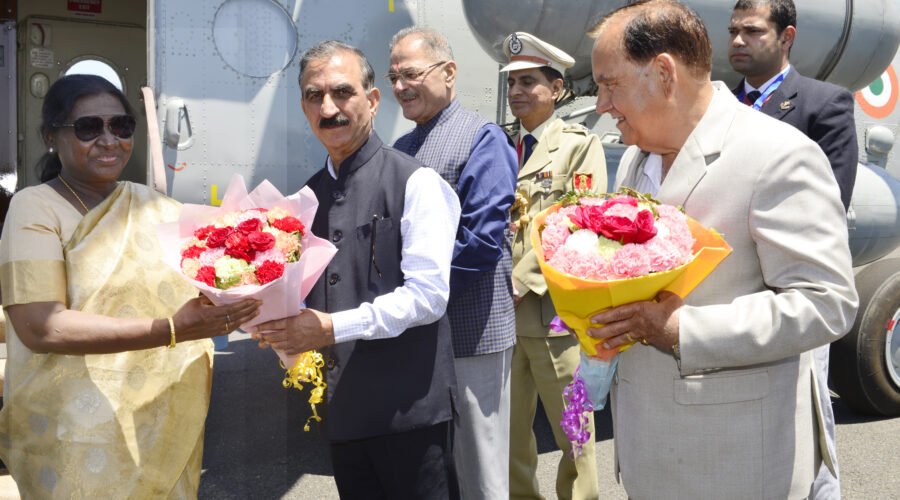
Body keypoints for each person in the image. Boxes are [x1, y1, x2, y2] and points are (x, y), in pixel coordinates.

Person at [585, 1, 858, 498]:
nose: (601, 103)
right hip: (650, 452)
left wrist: (680, 330)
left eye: (610, 84)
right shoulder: (632, 161)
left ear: (664, 73)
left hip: (736, 463)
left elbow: (826, 302)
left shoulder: (777, 156)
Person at [0, 74, 260, 498]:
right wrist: (171, 330)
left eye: (121, 127)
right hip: (70, 430)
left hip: (154, 421)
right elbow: (41, 328)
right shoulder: (36, 207)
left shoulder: (154, 207)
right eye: (88, 128)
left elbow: (219, 268)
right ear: (52, 137)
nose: (109, 140)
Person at [253, 41, 461, 499]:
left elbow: (428, 298)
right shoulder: (303, 200)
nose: (328, 108)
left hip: (409, 415)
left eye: (342, 92)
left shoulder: (416, 182)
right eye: (313, 95)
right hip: (345, 412)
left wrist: (330, 328)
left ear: (372, 100)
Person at [728, 2, 858, 495]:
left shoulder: (824, 104)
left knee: (809, 414)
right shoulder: (721, 107)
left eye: (752, 31)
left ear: (787, 37)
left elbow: (829, 204)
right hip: (729, 290)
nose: (738, 40)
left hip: (793, 289)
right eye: (733, 30)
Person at [387, 27, 517, 499]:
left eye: (412, 74)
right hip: (418, 335)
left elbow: (482, 240)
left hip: (472, 332)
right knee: (434, 467)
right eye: (394, 76)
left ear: (449, 71)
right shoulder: (401, 149)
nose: (400, 86)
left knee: (480, 468)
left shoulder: (483, 138)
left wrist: (423, 298)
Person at [500, 32, 606, 500]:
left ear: (557, 89)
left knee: (574, 434)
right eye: (512, 84)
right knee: (508, 435)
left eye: (529, 82)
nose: (517, 92)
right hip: (501, 320)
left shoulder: (579, 146)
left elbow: (581, 223)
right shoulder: (500, 145)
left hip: (554, 318)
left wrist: (522, 281)